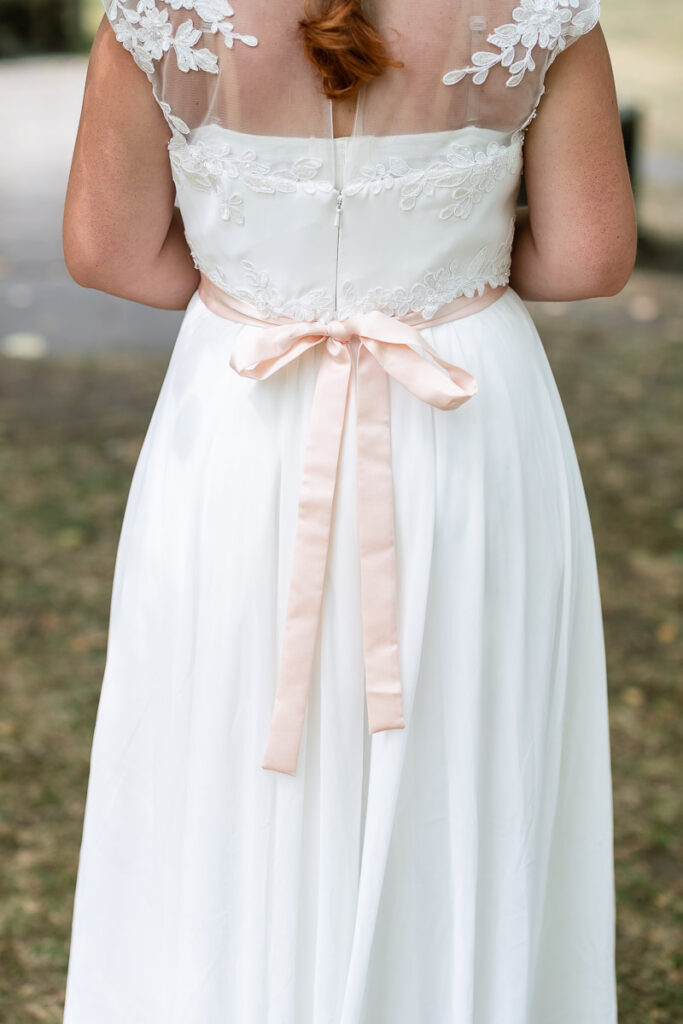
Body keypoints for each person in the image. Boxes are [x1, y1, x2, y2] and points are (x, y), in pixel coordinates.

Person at [61, 1, 635, 1021]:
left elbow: (109, 249)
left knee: (227, 748)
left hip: (240, 416)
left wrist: (260, 286)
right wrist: (442, 276)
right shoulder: (538, 13)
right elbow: (588, 256)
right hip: (460, 416)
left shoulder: (158, 16)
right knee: (460, 743)